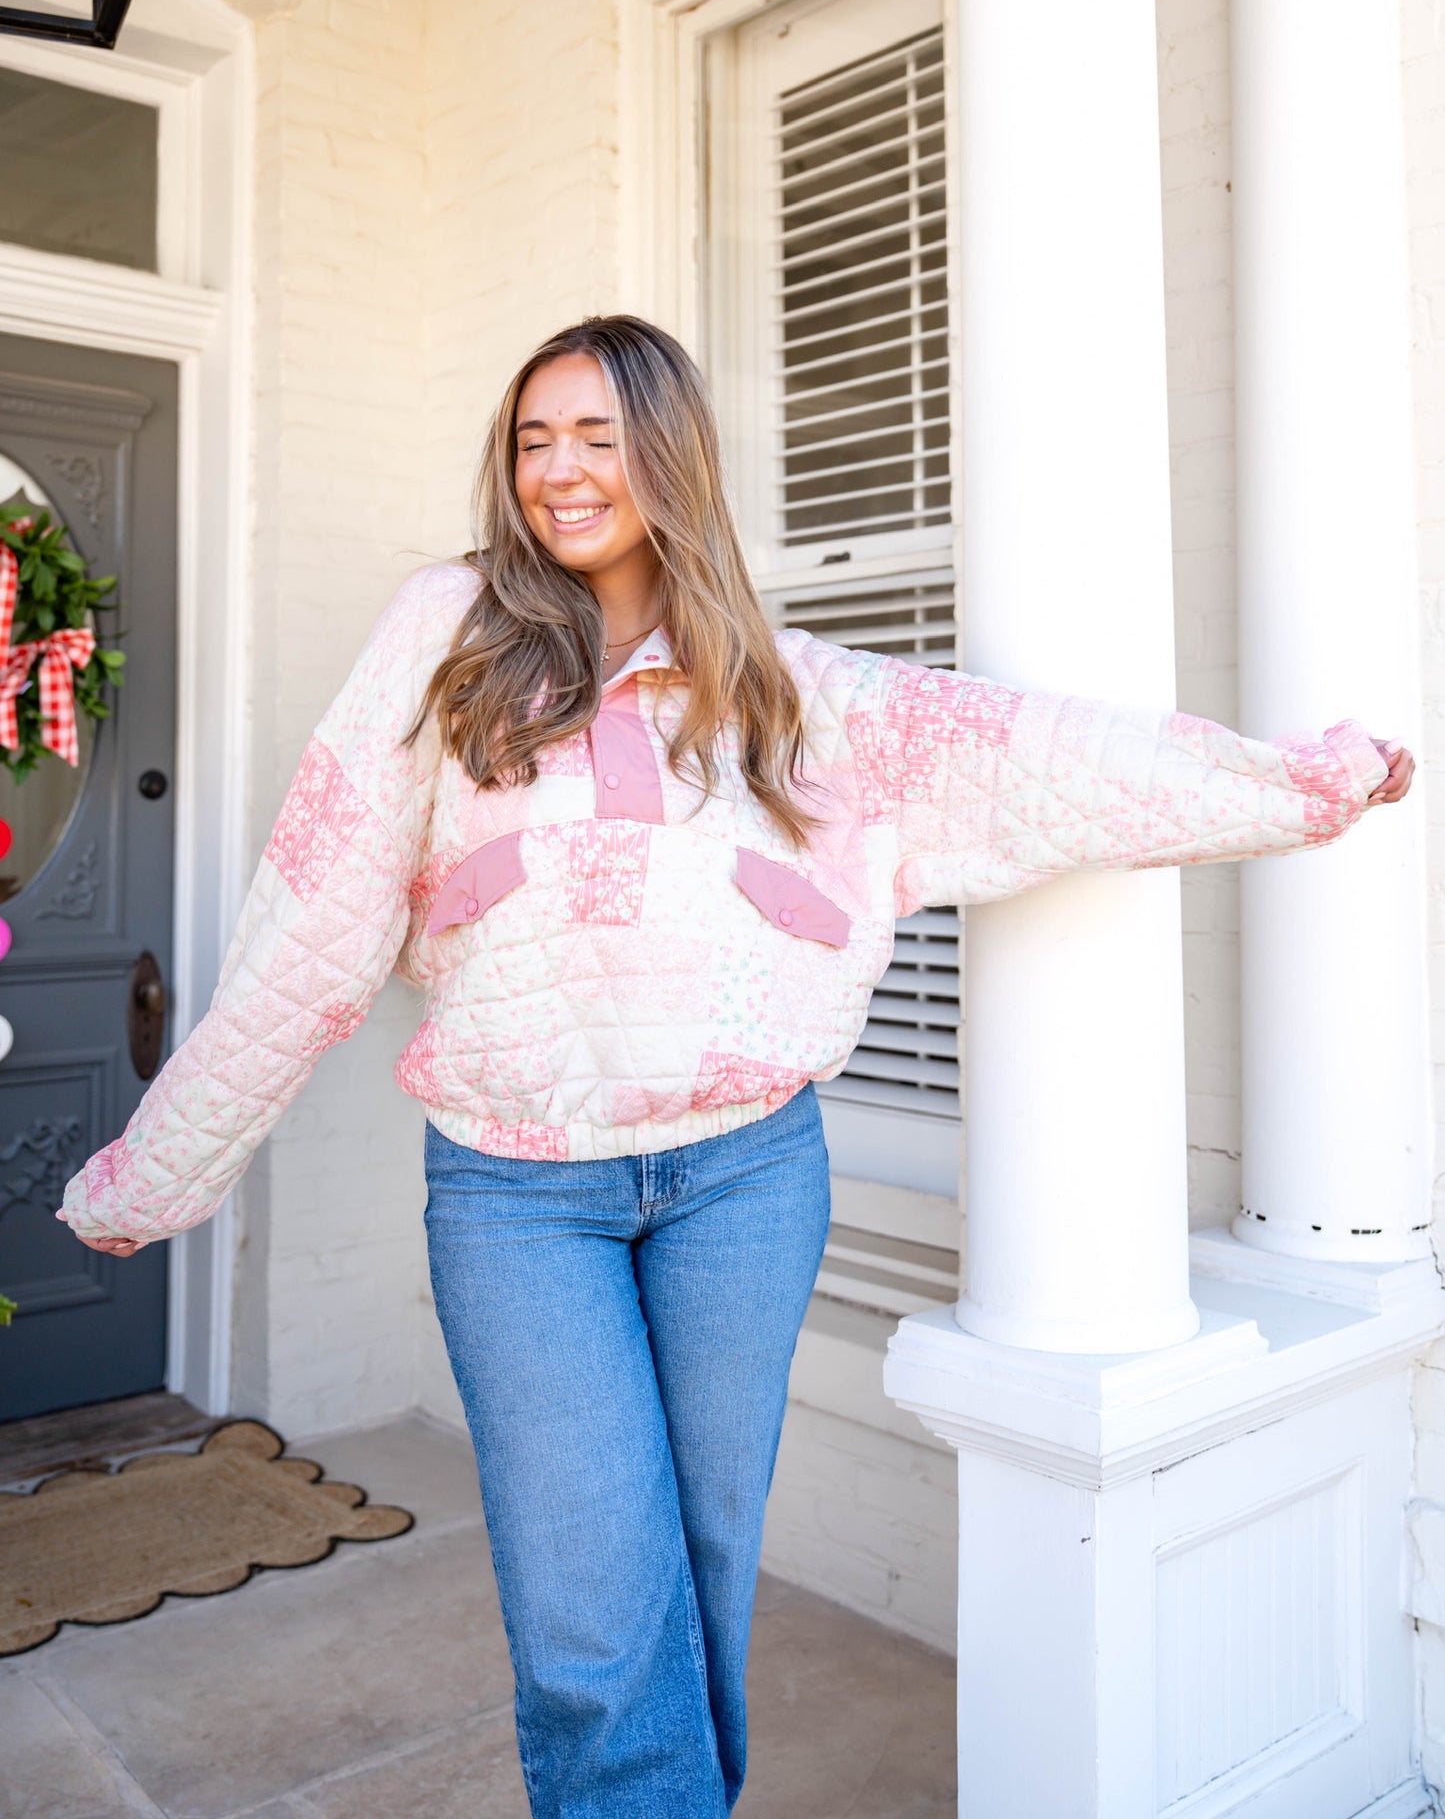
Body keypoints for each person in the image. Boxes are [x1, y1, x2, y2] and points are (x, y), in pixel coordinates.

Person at [60, 314, 1415, 1819]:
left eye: (596, 435)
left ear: (670, 453)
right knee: (592, 1616)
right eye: (532, 439)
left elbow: (1045, 758)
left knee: (696, 1576)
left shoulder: (791, 688)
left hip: (747, 1177)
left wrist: (1290, 787)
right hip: (519, 1196)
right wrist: (167, 1162)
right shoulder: (448, 632)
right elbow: (311, 908)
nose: (560, 472)